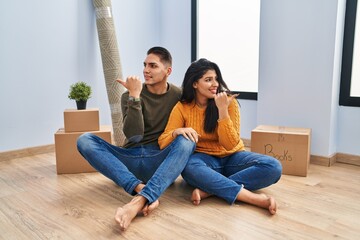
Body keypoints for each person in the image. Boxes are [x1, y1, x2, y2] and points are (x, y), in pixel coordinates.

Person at [77, 46, 196, 231]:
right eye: (145, 65)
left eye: (153, 66)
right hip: (129, 159)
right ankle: (141, 189)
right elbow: (134, 135)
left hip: (159, 159)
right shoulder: (129, 95)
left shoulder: (178, 95)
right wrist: (134, 96)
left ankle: (139, 200)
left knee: (188, 139)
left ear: (168, 71)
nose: (146, 70)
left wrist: (179, 131)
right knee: (84, 140)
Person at [158, 58, 282, 215]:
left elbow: (230, 144)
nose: (215, 84)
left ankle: (211, 190)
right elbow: (163, 142)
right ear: (195, 84)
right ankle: (251, 197)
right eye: (208, 80)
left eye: (216, 79)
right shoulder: (182, 107)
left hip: (233, 157)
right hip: (204, 160)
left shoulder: (228, 102)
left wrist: (222, 110)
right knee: (188, 168)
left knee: (273, 167)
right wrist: (176, 132)